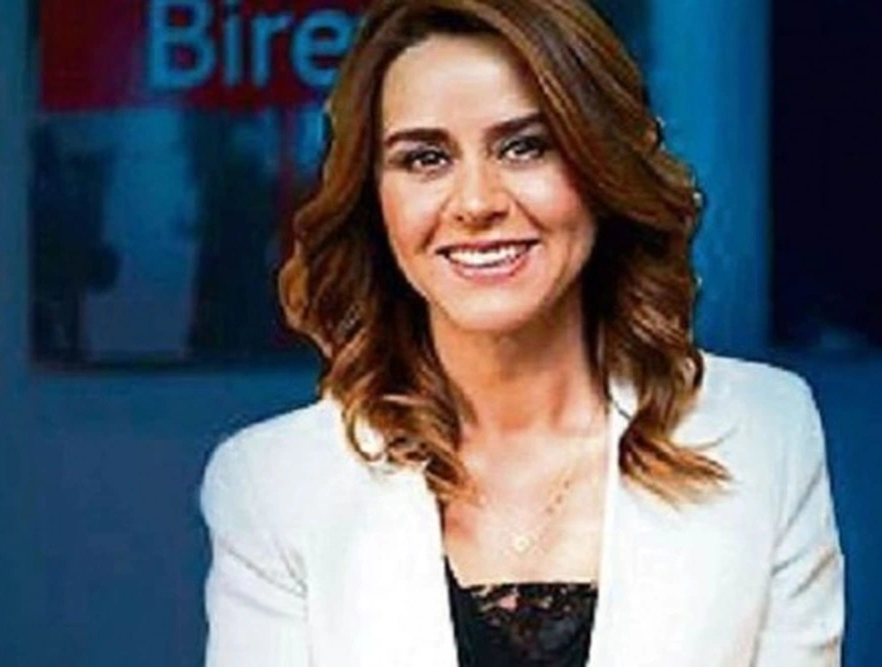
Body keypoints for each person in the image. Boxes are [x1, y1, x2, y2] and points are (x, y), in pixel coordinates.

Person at [197, 1, 846, 665]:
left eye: (525, 147)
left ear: (599, 168)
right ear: (375, 199)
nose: (477, 202)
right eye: (425, 158)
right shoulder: (275, 484)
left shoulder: (765, 433)